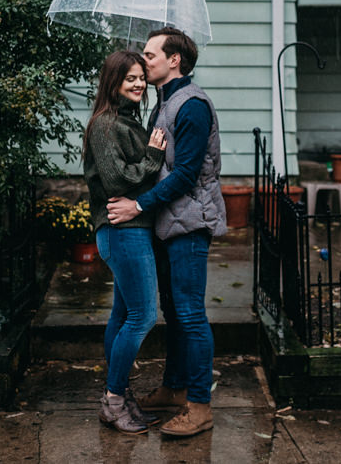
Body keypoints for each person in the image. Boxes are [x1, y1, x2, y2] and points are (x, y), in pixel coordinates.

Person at [107, 27, 226, 438]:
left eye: (151, 54)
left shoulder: (191, 105)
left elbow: (187, 176)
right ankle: (174, 391)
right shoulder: (165, 104)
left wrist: (138, 205)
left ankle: (199, 405)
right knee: (175, 311)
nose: (145, 61)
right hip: (170, 223)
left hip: (190, 224)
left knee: (191, 313)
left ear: (174, 60)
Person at [83, 50, 167, 435]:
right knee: (143, 317)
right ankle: (114, 399)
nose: (137, 83)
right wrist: (152, 157)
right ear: (112, 83)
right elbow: (116, 181)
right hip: (121, 231)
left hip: (132, 230)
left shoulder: (128, 121)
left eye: (140, 77)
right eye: (129, 78)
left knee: (122, 316)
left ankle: (118, 394)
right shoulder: (104, 124)